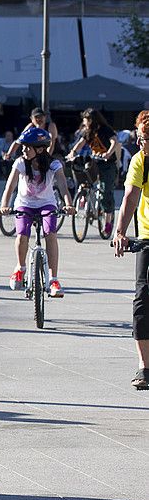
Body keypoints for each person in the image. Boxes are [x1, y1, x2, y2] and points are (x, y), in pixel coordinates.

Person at [0, 126, 73, 298]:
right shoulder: (20, 163)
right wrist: (4, 205)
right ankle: (20, 267)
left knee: (50, 234)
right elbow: (10, 187)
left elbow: (62, 186)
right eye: (23, 146)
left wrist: (68, 204)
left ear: (40, 149)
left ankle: (54, 279)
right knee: (22, 234)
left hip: (46, 204)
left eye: (27, 147)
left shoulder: (54, 164)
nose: (23, 150)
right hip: (25, 204)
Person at [112, 110, 149, 390]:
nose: (140, 144)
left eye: (144, 139)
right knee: (141, 302)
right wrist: (121, 230)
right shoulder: (140, 161)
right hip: (147, 237)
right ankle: (144, 367)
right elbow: (130, 197)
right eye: (139, 138)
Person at [65, 107, 120, 235]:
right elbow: (79, 144)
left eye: (86, 119)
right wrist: (72, 153)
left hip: (107, 164)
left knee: (106, 191)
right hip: (95, 162)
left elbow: (114, 142)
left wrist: (108, 153)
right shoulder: (88, 131)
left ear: (92, 120)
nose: (84, 122)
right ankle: (84, 196)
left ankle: (107, 221)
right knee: (83, 175)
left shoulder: (105, 129)